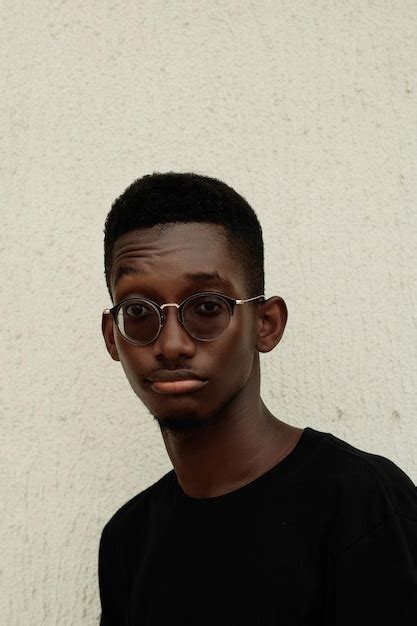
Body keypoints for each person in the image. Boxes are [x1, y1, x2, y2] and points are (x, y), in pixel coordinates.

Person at [99, 172, 417, 626]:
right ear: (113, 337)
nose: (171, 344)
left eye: (207, 307)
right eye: (137, 312)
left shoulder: (361, 503)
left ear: (266, 324)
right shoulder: (127, 539)